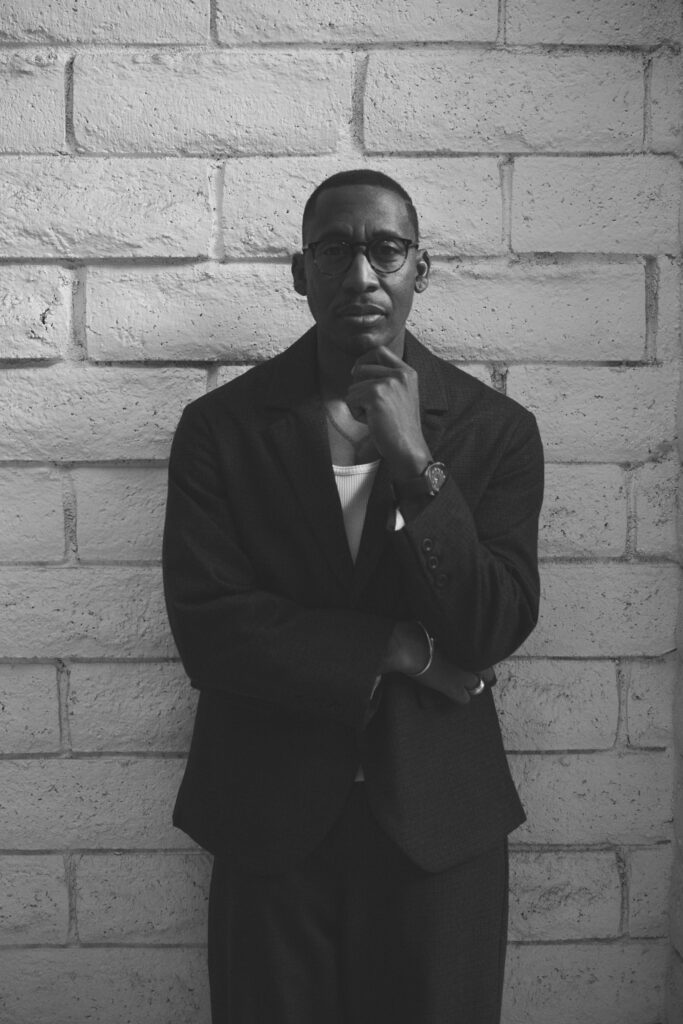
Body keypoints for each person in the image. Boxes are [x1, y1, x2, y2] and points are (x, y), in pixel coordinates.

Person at [162, 169, 544, 1024]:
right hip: (269, 824)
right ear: (300, 273)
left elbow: (488, 624)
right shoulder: (220, 429)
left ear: (420, 267)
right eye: (334, 250)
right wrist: (398, 649)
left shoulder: (495, 432)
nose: (361, 275)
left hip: (439, 828)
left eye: (385, 250)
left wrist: (415, 465)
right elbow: (211, 629)